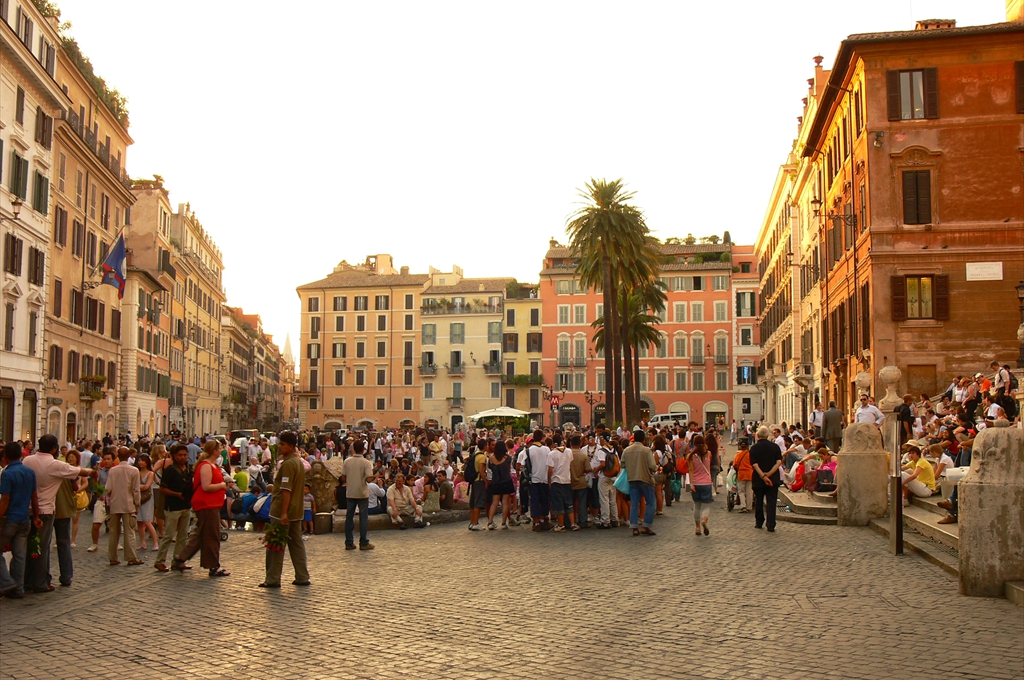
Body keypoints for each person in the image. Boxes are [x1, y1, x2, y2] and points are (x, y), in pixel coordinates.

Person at [260, 431, 310, 587]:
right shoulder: (298, 462)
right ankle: (302, 576)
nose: (279, 447)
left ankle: (272, 579)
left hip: (284, 510)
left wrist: (283, 513)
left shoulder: (288, 464)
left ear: (290, 446)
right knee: (296, 545)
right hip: (296, 511)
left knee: (275, 545)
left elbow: (286, 490)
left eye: (282, 444)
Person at [173, 440, 230, 578]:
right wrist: (223, 485)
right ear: (214, 451)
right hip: (206, 504)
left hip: (211, 504)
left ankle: (181, 557)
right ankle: (213, 566)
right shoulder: (205, 466)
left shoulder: (212, 465)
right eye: (219, 448)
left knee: (202, 534)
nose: (222, 449)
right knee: (212, 535)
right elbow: (206, 486)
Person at [0, 441, 42, 599]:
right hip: (25, 518)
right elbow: (34, 496)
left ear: (5, 456)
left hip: (11, 518)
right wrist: (36, 516)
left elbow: (5, 499)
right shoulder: (29, 472)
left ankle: (6, 582)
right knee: (19, 554)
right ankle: (18, 588)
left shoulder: (7, 473)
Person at [155, 445, 192, 572]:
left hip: (186, 506)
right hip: (173, 507)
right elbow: (162, 488)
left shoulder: (188, 469)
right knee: (169, 535)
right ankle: (160, 561)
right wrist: (176, 494)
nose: (183, 457)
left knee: (183, 536)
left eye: (185, 455)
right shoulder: (170, 470)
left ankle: (178, 561)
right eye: (180, 455)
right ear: (174, 456)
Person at [106, 447, 143, 567]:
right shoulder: (134, 470)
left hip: (115, 503)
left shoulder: (112, 470)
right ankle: (131, 557)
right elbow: (136, 490)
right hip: (128, 503)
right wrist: (137, 503)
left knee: (113, 532)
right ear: (128, 456)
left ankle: (112, 557)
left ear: (117, 456)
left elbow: (108, 488)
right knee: (130, 531)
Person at [622, 430, 657, 536]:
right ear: (643, 439)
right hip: (645, 479)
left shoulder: (626, 450)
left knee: (634, 504)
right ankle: (646, 526)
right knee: (650, 503)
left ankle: (634, 527)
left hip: (632, 479)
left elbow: (622, 464)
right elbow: (652, 466)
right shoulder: (646, 450)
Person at [341, 439, 374, 550]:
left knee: (349, 517)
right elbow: (369, 479)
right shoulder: (366, 463)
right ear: (363, 449)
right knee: (363, 518)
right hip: (362, 493)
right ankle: (363, 542)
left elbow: (343, 477)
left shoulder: (347, 461)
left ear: (353, 449)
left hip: (350, 492)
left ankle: (349, 542)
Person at [750, 426, 782, 532]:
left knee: (759, 500)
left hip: (758, 479)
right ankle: (771, 524)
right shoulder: (775, 447)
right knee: (771, 501)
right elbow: (779, 462)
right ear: (768, 435)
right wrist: (769, 474)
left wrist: (763, 476)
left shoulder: (754, 448)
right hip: (773, 478)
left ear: (758, 435)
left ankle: (759, 522)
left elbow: (755, 465)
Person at [524, 431, 552, 532]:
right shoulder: (547, 449)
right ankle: (543, 519)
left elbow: (526, 465)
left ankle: (535, 522)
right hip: (544, 478)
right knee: (544, 500)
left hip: (534, 478)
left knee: (535, 501)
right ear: (542, 438)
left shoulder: (529, 450)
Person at [688, 434, 714, 535]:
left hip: (695, 482)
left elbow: (690, 470)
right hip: (706, 482)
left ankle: (697, 527)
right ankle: (704, 520)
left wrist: (691, 484)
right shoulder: (708, 454)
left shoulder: (691, 456)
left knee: (697, 505)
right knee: (706, 506)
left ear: (693, 443)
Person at [486, 440, 515, 530]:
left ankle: (490, 522)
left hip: (495, 481)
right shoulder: (508, 458)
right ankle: (503, 523)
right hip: (506, 481)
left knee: (494, 503)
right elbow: (509, 468)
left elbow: (490, 468)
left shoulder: (491, 458)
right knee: (505, 502)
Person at [548, 434, 574, 532]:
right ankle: (572, 523)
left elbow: (550, 469)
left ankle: (561, 524)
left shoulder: (552, 454)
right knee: (568, 502)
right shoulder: (569, 451)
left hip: (556, 480)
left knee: (558, 503)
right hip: (567, 479)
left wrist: (549, 480)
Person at [593, 434, 619, 529]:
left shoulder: (602, 451)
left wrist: (596, 470)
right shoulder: (614, 450)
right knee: (613, 499)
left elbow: (603, 464)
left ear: (603, 439)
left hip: (604, 476)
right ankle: (615, 519)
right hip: (613, 476)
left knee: (604, 499)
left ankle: (605, 520)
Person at [135, 454, 158, 551]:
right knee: (139, 522)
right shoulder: (136, 472)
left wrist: (137, 486)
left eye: (143, 461)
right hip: (138, 498)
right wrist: (138, 486)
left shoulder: (150, 473)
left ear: (147, 462)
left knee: (148, 521)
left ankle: (155, 543)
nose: (140, 462)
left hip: (147, 498)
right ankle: (143, 543)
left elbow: (146, 486)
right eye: (139, 460)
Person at [568, 435, 590, 530]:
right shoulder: (583, 456)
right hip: (581, 481)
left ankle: (569, 521)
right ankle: (582, 521)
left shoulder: (567, 454)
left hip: (569, 481)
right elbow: (588, 469)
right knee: (582, 503)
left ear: (570, 443)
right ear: (580, 444)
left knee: (569, 503)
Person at [466, 441, 488, 531]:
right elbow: (482, 471)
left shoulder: (475, 454)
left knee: (472, 503)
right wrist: (486, 481)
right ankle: (475, 522)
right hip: (479, 480)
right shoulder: (482, 457)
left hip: (473, 480)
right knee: (478, 503)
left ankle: (472, 522)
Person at [731, 439, 753, 512]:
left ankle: (743, 506)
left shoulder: (738, 455)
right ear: (747, 446)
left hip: (741, 474)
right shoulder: (750, 455)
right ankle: (749, 507)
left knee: (741, 491)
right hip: (750, 474)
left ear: (740, 447)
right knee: (749, 491)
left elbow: (735, 465)